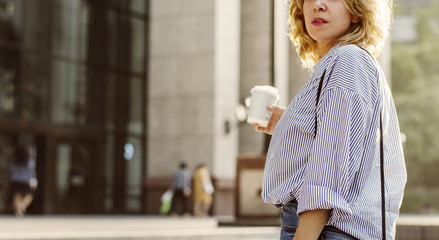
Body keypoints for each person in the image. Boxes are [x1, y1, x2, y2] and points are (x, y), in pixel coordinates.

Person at [253, 0, 407, 239]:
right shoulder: (341, 63)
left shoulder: (348, 61)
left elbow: (324, 181)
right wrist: (291, 124)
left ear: (356, 12)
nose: (318, 5)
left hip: (326, 230)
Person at [9, 144, 38, 217]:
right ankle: (21, 207)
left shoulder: (14, 161)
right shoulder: (29, 162)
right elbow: (31, 173)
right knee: (29, 195)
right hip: (25, 181)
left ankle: (18, 209)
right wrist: (33, 182)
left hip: (15, 180)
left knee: (17, 195)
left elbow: (11, 170)